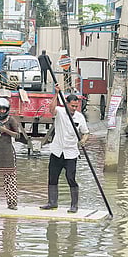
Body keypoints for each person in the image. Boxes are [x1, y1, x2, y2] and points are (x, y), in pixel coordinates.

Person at [40, 85, 89, 213]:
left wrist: (83, 140)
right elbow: (51, 109)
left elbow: (85, 132)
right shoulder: (60, 112)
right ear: (67, 104)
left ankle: (74, 205)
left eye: (75, 106)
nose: (74, 108)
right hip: (57, 151)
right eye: (72, 106)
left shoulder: (79, 117)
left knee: (70, 177)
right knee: (52, 177)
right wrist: (56, 94)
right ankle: (52, 202)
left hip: (71, 153)